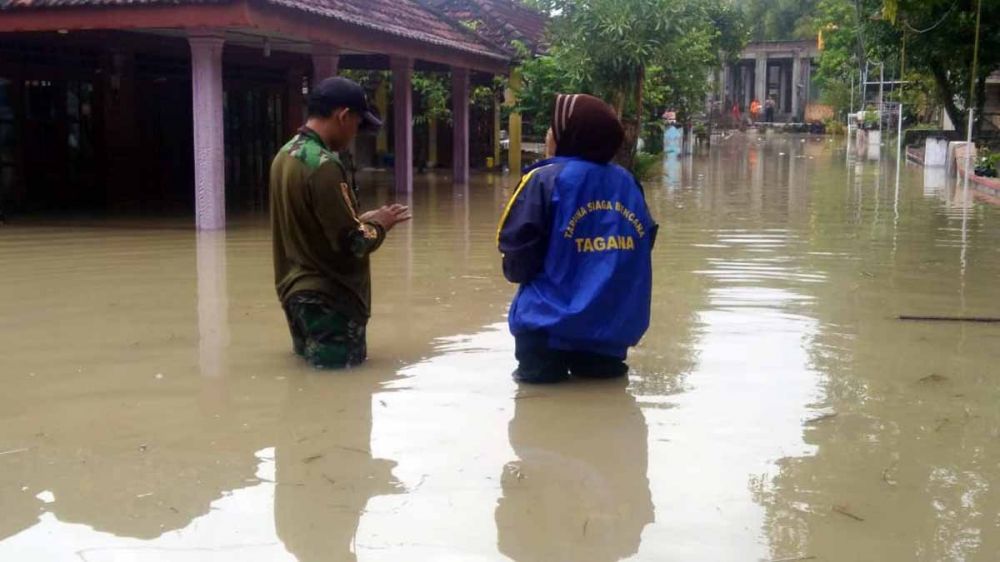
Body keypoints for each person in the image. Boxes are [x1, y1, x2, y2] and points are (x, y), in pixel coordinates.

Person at [496, 94, 658, 384]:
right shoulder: (628, 183)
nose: (548, 135)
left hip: (546, 327)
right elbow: (643, 246)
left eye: (551, 128)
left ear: (569, 135)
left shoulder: (544, 179)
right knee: (607, 410)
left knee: (539, 413)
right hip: (610, 331)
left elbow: (517, 258)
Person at [270, 77, 411, 368]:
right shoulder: (323, 165)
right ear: (343, 116)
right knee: (342, 396)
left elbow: (314, 225)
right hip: (330, 301)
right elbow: (354, 243)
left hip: (295, 294)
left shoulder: (285, 156)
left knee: (314, 390)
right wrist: (381, 223)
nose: (355, 134)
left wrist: (361, 219)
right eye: (357, 124)